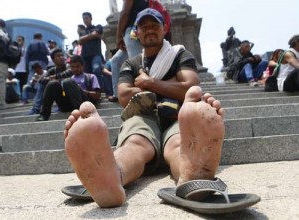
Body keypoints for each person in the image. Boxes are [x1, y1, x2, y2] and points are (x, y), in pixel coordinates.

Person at [64, 8, 225, 208]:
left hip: (177, 115)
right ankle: (112, 177)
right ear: (136, 33)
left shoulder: (179, 54)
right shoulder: (131, 63)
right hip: (142, 115)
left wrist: (148, 83)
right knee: (136, 143)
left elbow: (190, 87)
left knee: (178, 143)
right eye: (144, 26)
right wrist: (172, 84)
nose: (149, 30)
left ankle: (192, 176)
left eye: (154, 25)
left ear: (164, 28)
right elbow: (123, 95)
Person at [36, 55, 101, 121]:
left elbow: (98, 95)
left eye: (78, 66)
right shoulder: (69, 78)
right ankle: (44, 115)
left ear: (82, 66)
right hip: (68, 104)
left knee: (67, 82)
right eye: (73, 67)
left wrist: (82, 91)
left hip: (84, 104)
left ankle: (81, 114)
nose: (75, 69)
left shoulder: (90, 77)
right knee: (53, 83)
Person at [27, 48, 67, 115]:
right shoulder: (52, 70)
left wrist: (55, 78)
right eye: (58, 56)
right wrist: (51, 79)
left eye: (62, 55)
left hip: (68, 95)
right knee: (43, 84)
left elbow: (69, 72)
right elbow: (41, 79)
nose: (61, 57)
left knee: (60, 83)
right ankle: (36, 108)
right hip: (59, 95)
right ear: (53, 60)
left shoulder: (69, 66)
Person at [79, 12, 104, 85]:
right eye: (84, 19)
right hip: (85, 56)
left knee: (96, 71)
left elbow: (96, 34)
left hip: (96, 54)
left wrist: (85, 38)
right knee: (87, 75)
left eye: (86, 18)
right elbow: (80, 41)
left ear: (91, 18)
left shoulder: (98, 27)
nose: (85, 20)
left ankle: (99, 92)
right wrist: (92, 36)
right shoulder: (82, 31)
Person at [0, 18, 9, 107]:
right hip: (4, 62)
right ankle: (2, 101)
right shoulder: (6, 35)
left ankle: (1, 102)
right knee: (1, 81)